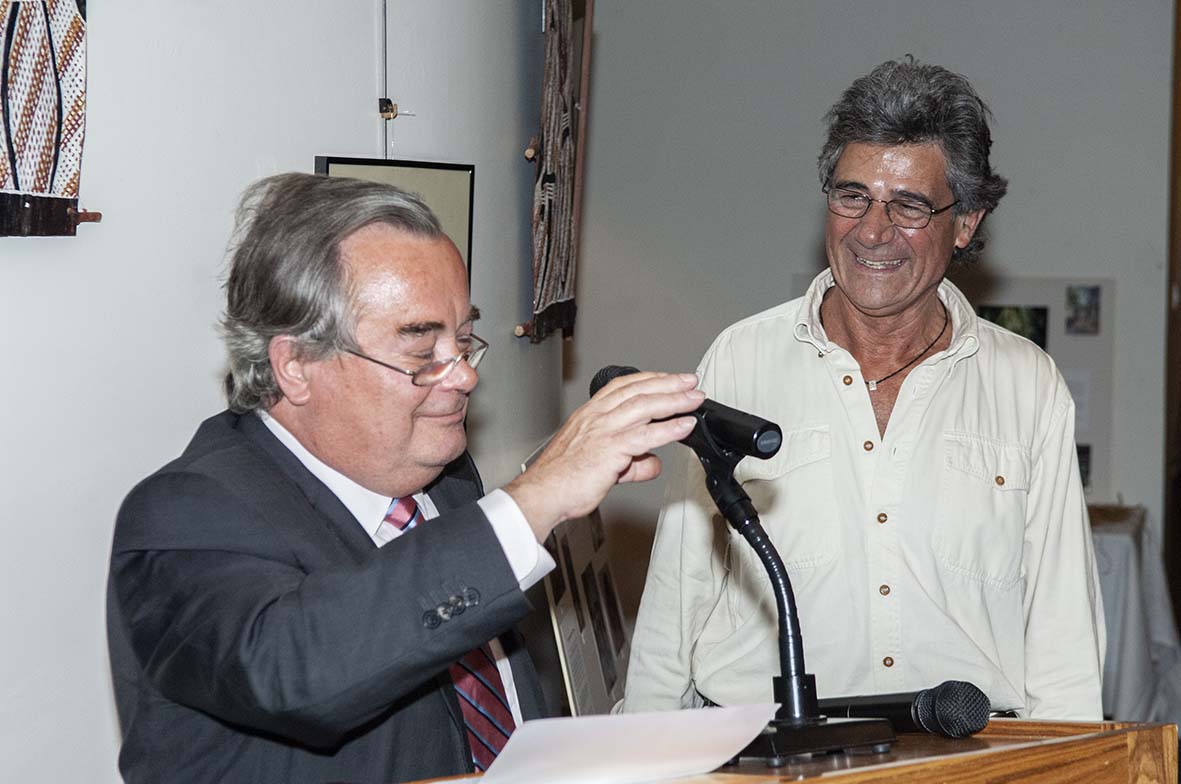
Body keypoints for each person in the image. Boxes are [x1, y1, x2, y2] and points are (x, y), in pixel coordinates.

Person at [106, 172, 703, 784]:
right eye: (422, 354)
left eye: (465, 342)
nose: (464, 377)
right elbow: (293, 672)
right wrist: (535, 499)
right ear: (296, 366)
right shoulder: (185, 511)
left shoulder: (443, 481)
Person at [623, 58, 1105, 720]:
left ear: (963, 223)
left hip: (959, 759)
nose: (872, 231)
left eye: (907, 204)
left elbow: (1062, 636)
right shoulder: (741, 360)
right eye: (852, 196)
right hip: (765, 751)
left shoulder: (1025, 385)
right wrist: (646, 751)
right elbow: (679, 590)